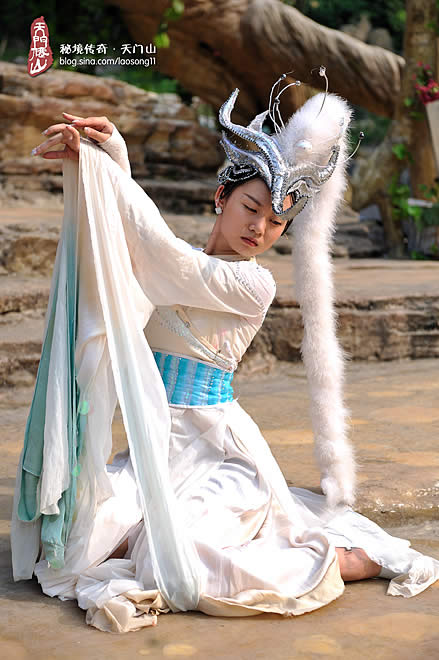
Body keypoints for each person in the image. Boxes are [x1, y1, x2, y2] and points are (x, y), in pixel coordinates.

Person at [11, 78, 439, 633]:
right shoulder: (176, 262)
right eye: (251, 207)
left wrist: (111, 168)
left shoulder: (252, 286)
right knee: (70, 546)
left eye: (276, 221)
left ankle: (348, 560)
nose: (260, 227)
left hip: (221, 455)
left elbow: (159, 252)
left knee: (173, 561)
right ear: (221, 197)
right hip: (155, 447)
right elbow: (134, 247)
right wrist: (108, 157)